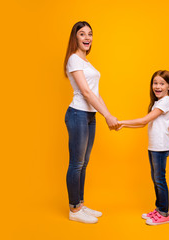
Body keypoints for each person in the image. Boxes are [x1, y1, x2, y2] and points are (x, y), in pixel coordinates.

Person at [63, 21, 119, 224]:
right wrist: (107, 116)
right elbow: (86, 93)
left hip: (89, 116)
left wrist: (109, 115)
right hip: (77, 114)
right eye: (82, 34)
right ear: (75, 38)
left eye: (90, 34)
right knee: (76, 164)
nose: (87, 37)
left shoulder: (87, 63)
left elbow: (95, 93)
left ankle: (80, 203)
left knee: (84, 164)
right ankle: (74, 209)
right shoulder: (73, 60)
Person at [117, 70, 169, 225]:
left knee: (159, 179)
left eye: (162, 83)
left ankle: (164, 213)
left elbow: (144, 120)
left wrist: (122, 122)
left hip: (160, 146)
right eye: (155, 83)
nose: (157, 86)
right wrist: (123, 126)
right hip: (153, 146)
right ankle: (159, 209)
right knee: (155, 179)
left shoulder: (166, 101)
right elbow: (144, 124)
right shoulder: (158, 102)